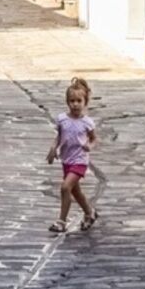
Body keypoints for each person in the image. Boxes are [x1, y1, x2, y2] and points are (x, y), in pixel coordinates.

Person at [46, 77, 99, 232]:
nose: (75, 104)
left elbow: (95, 139)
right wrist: (53, 148)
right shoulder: (62, 119)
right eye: (72, 101)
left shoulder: (87, 122)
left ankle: (61, 221)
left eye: (79, 101)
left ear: (85, 102)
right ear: (67, 102)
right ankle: (90, 212)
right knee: (76, 191)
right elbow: (59, 136)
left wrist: (89, 146)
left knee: (65, 188)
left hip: (80, 160)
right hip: (66, 160)